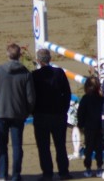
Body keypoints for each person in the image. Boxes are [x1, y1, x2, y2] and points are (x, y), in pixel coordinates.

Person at [0, 43, 36, 181]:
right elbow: (31, 98)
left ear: (7, 54)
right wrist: (27, 111)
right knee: (17, 146)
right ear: (19, 55)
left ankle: (2, 174)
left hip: (1, 112)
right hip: (18, 113)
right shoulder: (25, 73)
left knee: (2, 145)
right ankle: (15, 175)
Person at [32, 48, 73, 180]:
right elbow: (67, 93)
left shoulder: (35, 75)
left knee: (43, 147)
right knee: (60, 145)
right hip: (58, 114)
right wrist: (64, 109)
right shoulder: (59, 72)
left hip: (41, 115)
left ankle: (47, 173)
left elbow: (31, 96)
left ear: (38, 60)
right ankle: (63, 172)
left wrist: (33, 111)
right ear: (50, 59)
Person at [77, 75, 104, 178]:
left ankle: (88, 169)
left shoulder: (85, 99)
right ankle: (99, 168)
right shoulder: (101, 99)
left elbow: (80, 113)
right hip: (99, 127)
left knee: (88, 148)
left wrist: (80, 125)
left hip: (89, 127)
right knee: (99, 148)